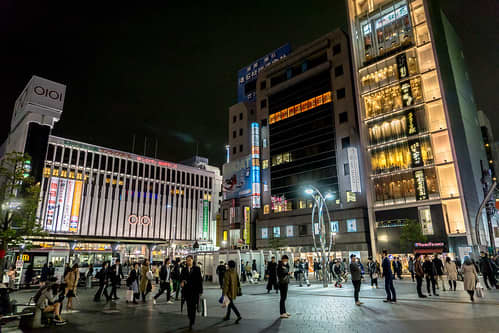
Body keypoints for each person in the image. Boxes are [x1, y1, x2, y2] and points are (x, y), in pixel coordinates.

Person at [180, 255, 203, 330]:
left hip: (195, 291)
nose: (188, 262)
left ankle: (191, 321)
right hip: (186, 291)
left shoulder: (197, 269)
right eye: (187, 260)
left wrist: (200, 291)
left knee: (193, 307)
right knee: (188, 306)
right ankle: (190, 318)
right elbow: (181, 277)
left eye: (189, 260)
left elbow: (200, 280)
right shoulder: (184, 269)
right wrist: (182, 281)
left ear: (192, 260)